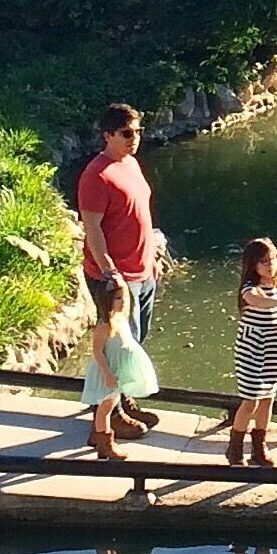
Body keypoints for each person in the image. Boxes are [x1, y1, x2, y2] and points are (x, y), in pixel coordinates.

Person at [76, 103, 161, 430]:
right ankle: (109, 419)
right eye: (126, 133)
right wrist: (110, 271)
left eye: (138, 132)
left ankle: (124, 400)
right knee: (116, 348)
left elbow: (140, 213)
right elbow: (92, 228)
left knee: (134, 343)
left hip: (143, 271)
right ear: (107, 134)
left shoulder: (131, 165)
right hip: (115, 278)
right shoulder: (96, 175)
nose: (134, 138)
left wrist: (152, 256)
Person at [79, 270, 158, 462]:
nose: (122, 301)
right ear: (106, 300)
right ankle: (105, 442)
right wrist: (107, 374)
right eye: (116, 298)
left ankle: (101, 437)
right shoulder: (104, 326)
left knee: (111, 403)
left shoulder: (120, 320)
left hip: (118, 369)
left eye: (123, 297)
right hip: (108, 371)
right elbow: (97, 352)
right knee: (105, 408)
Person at [229, 236, 277, 467]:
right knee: (250, 399)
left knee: (267, 398)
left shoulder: (276, 289)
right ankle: (235, 447)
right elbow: (255, 301)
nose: (269, 264)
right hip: (252, 347)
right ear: (252, 264)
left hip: (272, 347)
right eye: (263, 261)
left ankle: (259, 446)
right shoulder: (250, 288)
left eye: (272, 259)